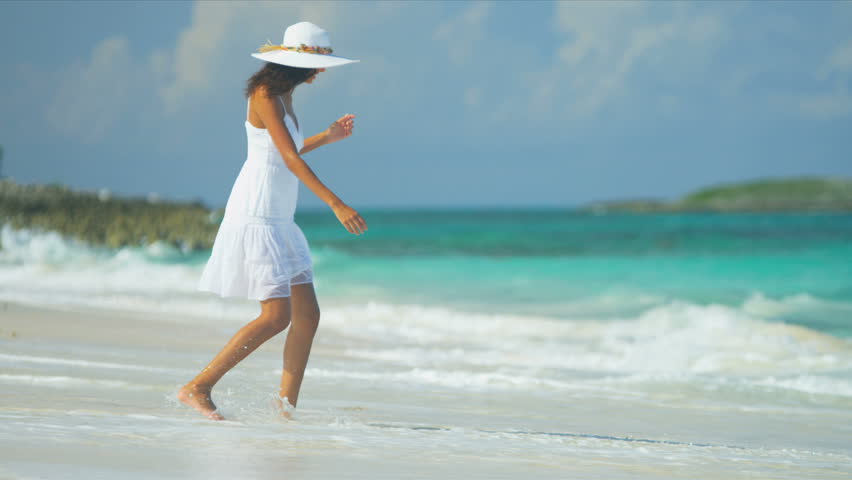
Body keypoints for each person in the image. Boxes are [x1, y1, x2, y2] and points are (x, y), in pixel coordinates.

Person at [179, 21, 367, 421]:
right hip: (257, 212)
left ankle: (285, 409)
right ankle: (198, 386)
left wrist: (326, 137)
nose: (321, 73)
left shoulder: (284, 94)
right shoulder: (265, 94)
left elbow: (286, 147)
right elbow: (289, 159)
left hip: (279, 216)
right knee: (275, 316)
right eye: (319, 66)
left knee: (308, 316)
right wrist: (336, 203)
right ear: (301, 66)